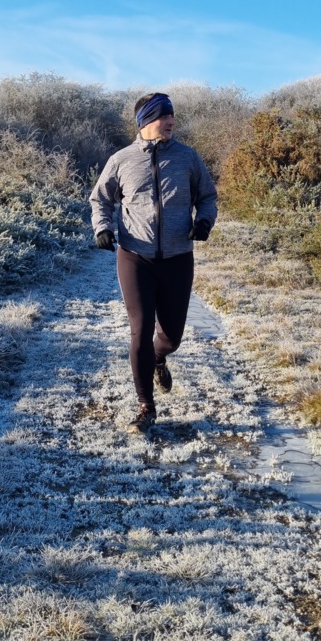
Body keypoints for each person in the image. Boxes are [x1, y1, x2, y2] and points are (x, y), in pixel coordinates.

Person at [90, 92, 218, 434]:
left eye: (172, 116)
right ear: (146, 121)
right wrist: (102, 227)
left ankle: (159, 357)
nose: (172, 122)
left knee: (171, 337)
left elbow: (207, 196)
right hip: (135, 257)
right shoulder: (121, 160)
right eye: (165, 116)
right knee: (140, 329)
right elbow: (100, 199)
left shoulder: (187, 158)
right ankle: (146, 406)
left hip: (178, 258)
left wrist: (204, 221)